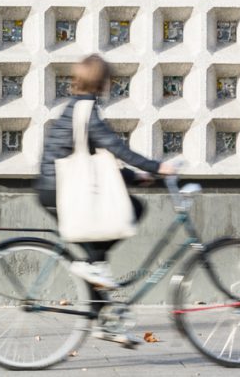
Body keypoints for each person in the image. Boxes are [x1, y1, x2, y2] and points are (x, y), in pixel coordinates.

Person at [37, 54, 176, 291]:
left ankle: (100, 319)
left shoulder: (75, 107)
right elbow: (116, 149)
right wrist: (157, 167)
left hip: (53, 187)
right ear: (103, 83)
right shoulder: (87, 112)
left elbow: (97, 161)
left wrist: (134, 177)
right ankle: (94, 276)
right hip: (60, 189)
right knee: (134, 209)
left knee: (96, 261)